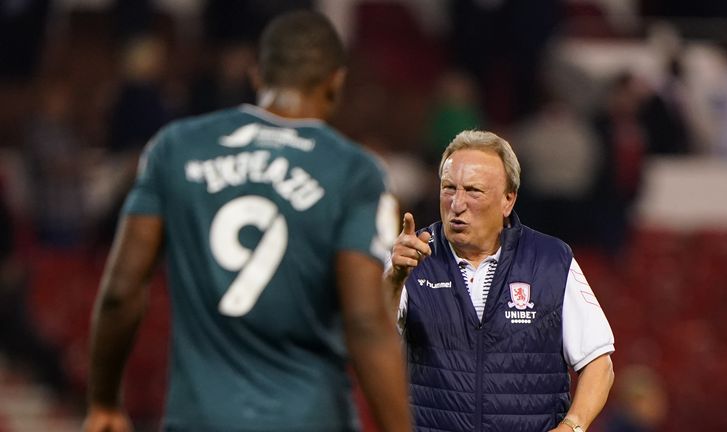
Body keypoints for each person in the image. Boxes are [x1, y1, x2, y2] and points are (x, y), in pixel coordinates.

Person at [83, 10, 411, 432]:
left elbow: (121, 291)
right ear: (336, 82)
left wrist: (105, 400)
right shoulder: (354, 172)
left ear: (257, 76)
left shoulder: (176, 148)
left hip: (199, 420)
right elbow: (365, 323)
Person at [385, 130, 615, 432]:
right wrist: (394, 278)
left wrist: (573, 425)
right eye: (449, 188)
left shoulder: (550, 260)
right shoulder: (411, 258)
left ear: (508, 200)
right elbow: (373, 334)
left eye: (473, 191)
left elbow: (599, 362)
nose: (457, 203)